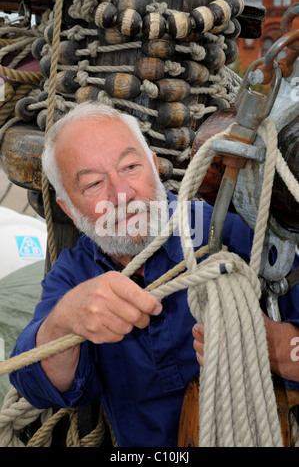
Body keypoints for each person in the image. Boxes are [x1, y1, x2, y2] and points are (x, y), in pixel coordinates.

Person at [9, 102, 299, 447]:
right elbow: (35, 385)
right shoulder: (74, 274)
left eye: (130, 167)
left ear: (153, 164)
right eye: (92, 184)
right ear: (69, 210)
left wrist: (273, 346)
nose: (121, 194)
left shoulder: (228, 232)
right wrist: (63, 321)